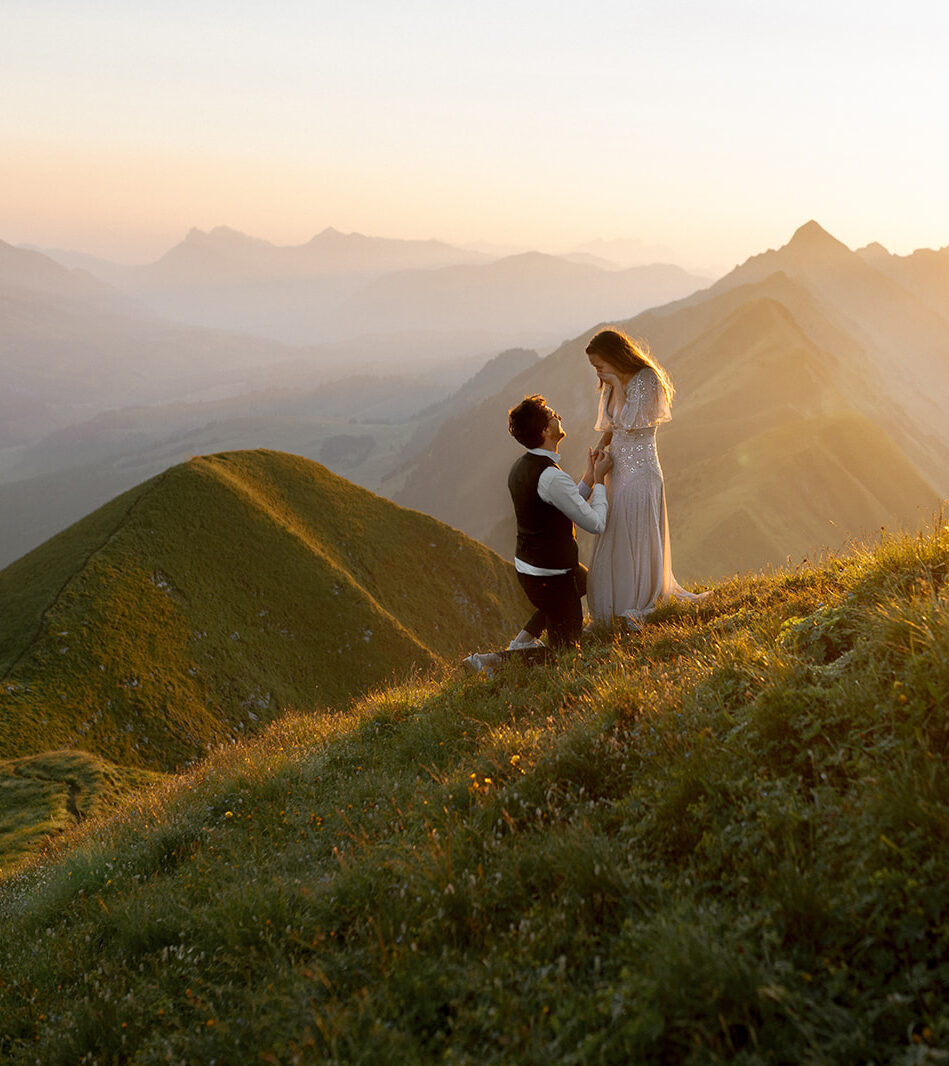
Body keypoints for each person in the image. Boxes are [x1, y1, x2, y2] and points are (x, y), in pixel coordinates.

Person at [583, 328, 709, 627]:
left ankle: (638, 599)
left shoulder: (646, 379)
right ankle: (615, 601)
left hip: (641, 470)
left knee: (635, 530)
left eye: (600, 365)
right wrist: (599, 453)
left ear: (615, 358)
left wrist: (618, 384)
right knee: (614, 528)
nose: (597, 372)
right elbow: (612, 427)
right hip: (616, 469)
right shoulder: (609, 385)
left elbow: (633, 423)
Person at [506, 394, 612, 649]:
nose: (559, 417)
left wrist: (587, 477)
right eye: (553, 416)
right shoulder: (551, 477)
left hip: (530, 568)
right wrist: (599, 481)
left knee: (587, 581)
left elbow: (564, 503)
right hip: (551, 578)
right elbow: (596, 523)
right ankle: (492, 661)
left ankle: (522, 641)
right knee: (566, 651)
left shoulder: (522, 467)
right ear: (545, 430)